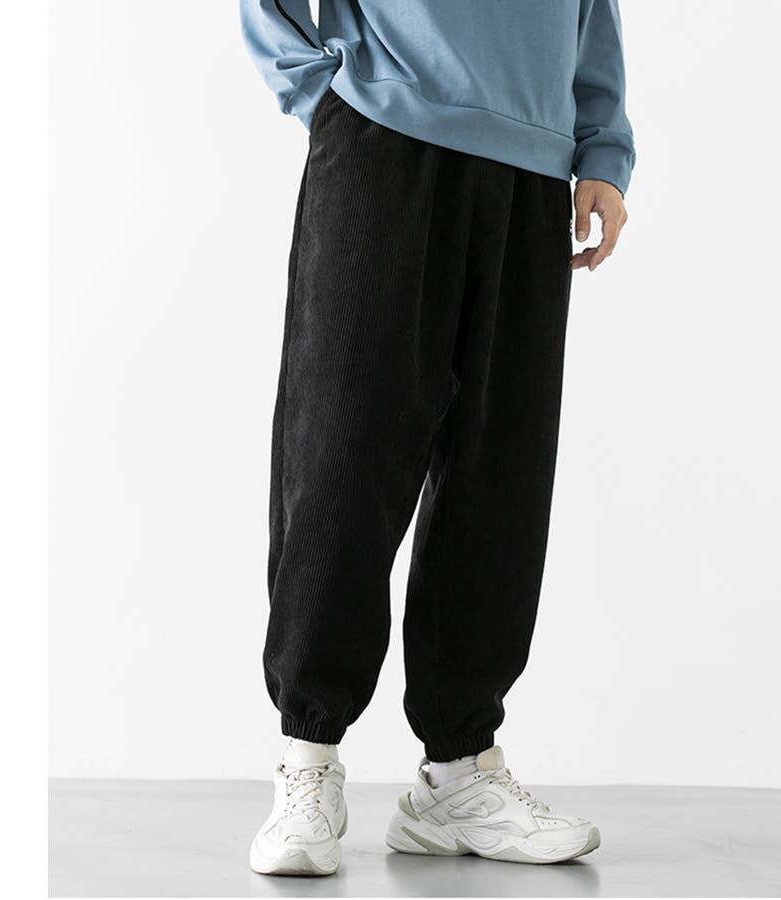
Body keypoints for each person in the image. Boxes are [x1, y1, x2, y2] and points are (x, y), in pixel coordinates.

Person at [239, 0, 634, 876]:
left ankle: (458, 773)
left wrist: (602, 144)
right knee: (343, 455)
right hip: (386, 132)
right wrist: (319, 90)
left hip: (534, 164)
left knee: (502, 471)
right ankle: (308, 756)